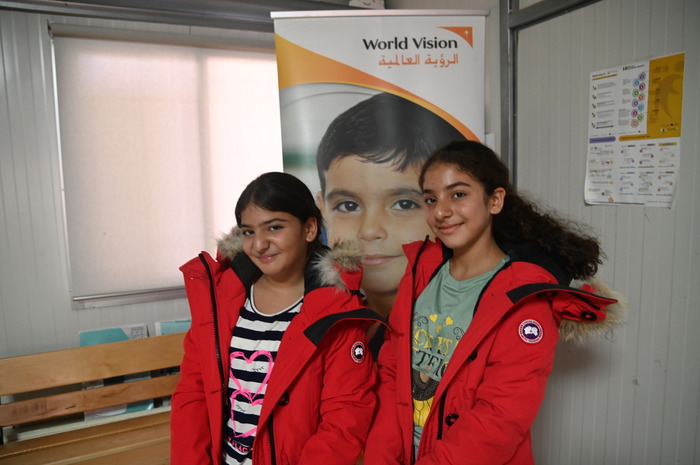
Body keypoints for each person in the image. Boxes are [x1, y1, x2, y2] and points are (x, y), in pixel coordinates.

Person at [364, 141, 625, 465]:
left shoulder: (524, 298)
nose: (441, 211)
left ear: (495, 200)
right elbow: (391, 372)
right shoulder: (420, 272)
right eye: (431, 199)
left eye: (458, 194)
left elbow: (499, 419)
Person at [171, 172, 384, 465]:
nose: (259, 245)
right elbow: (192, 394)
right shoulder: (220, 301)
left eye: (274, 227)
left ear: (309, 229)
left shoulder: (336, 314)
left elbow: (345, 418)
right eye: (248, 231)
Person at [316, 92, 467, 338]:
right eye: (348, 206)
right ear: (323, 210)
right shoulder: (317, 315)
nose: (369, 230)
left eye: (405, 204)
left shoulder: (470, 320)